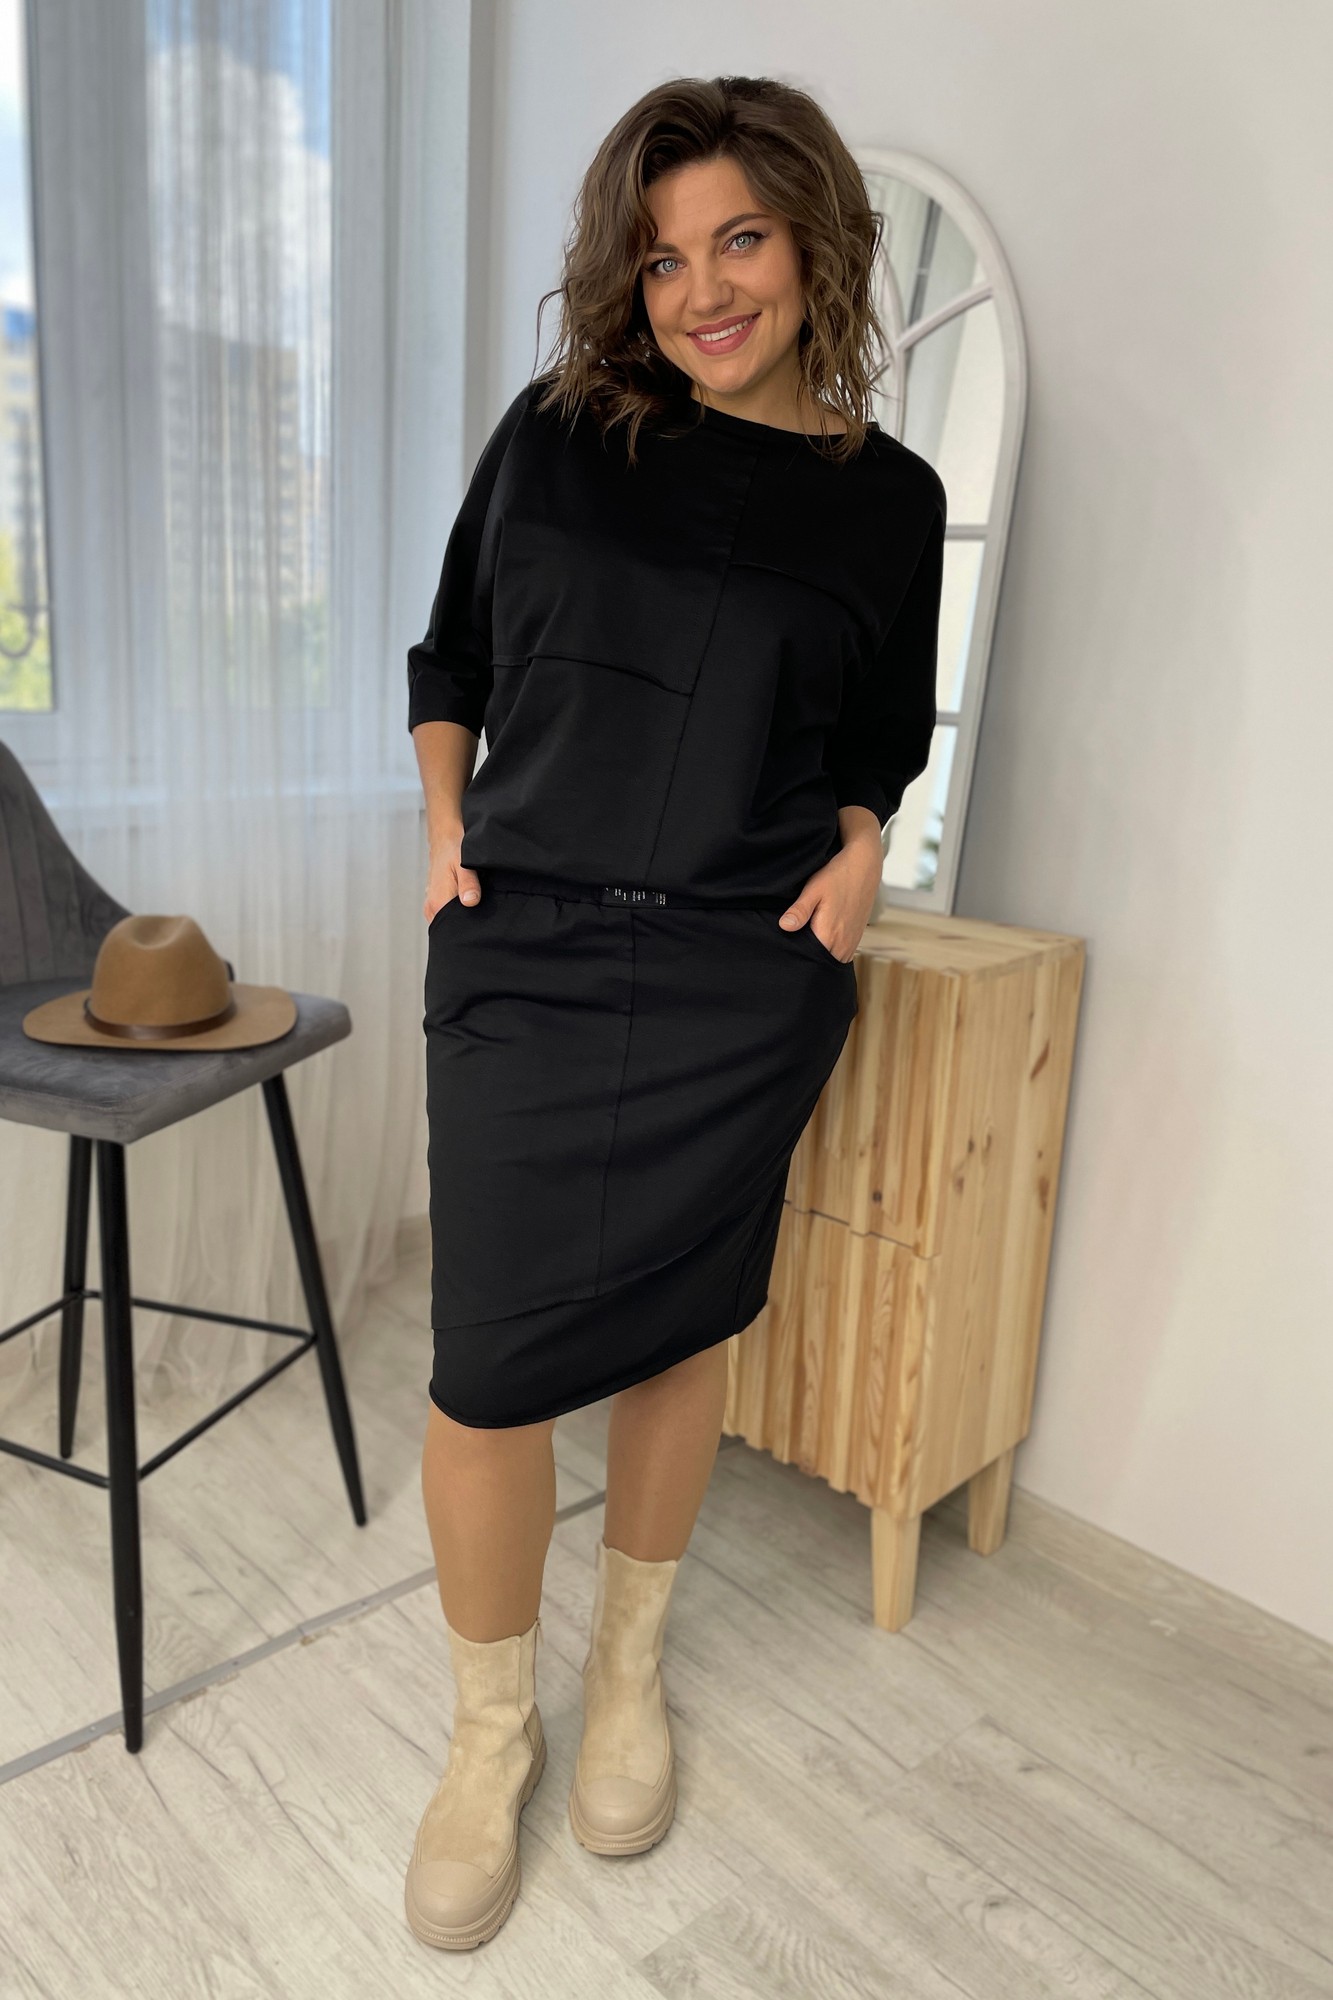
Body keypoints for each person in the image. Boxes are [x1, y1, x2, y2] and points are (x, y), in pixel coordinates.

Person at [402, 73, 946, 1952]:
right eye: (661, 259)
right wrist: (446, 825)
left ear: (813, 242)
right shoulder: (560, 434)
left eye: (739, 240)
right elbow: (454, 653)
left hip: (737, 975)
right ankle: (488, 1738)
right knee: (485, 1368)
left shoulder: (891, 503)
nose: (703, 290)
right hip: (525, 950)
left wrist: (862, 844)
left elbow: (877, 742)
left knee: (678, 1325)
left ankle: (626, 1672)